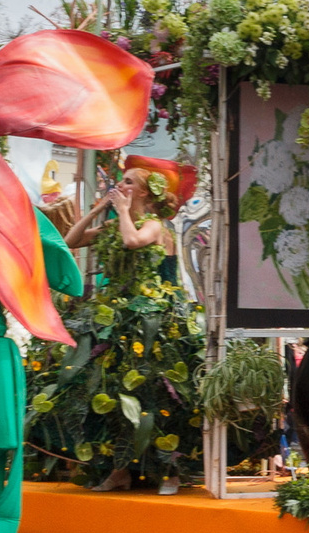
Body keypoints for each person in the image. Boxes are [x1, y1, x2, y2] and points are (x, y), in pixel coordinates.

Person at [48, 157, 200, 492]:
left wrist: (124, 212)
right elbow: (70, 241)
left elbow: (132, 241)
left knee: (157, 397)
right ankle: (119, 470)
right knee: (110, 391)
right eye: (122, 181)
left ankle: (169, 471)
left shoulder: (156, 225)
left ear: (144, 192)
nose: (122, 185)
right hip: (119, 317)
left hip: (157, 321)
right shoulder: (119, 224)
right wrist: (98, 209)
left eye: (129, 182)